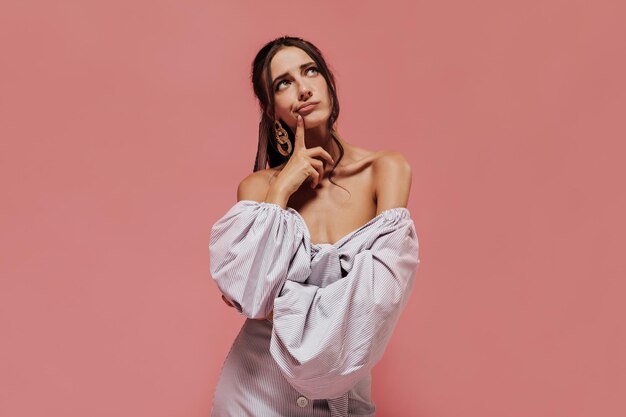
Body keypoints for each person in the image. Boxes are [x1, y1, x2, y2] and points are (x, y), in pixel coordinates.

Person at [208, 36, 421, 417]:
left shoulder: (384, 170)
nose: (303, 87)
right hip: (254, 393)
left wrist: (278, 305)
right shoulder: (259, 189)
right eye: (283, 83)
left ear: (328, 84)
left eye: (310, 71)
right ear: (274, 111)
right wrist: (284, 186)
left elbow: (376, 303)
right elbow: (248, 290)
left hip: (341, 395)